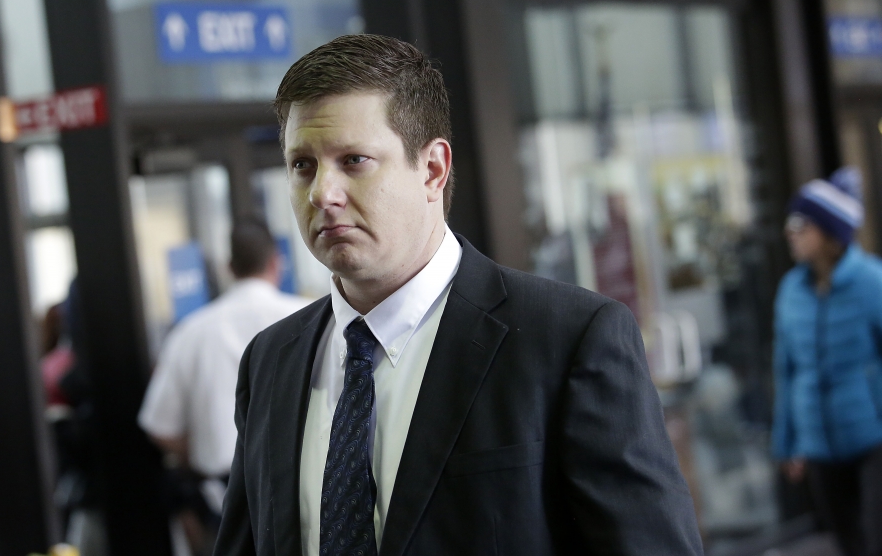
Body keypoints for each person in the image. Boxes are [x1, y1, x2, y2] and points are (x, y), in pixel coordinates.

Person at [213, 34, 701, 556]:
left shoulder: (565, 340)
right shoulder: (270, 361)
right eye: (302, 165)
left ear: (432, 170)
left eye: (353, 160)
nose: (321, 194)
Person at [138, 219, 309, 549]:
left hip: (221, 504)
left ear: (228, 267)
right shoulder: (311, 319)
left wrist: (206, 448)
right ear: (276, 262)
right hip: (303, 496)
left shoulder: (191, 332)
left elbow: (159, 426)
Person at [773, 167, 882, 556]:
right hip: (818, 444)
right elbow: (785, 370)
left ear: (829, 232)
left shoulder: (872, 282)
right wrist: (787, 443)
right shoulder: (790, 291)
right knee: (846, 542)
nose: (791, 232)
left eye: (800, 224)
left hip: (873, 440)